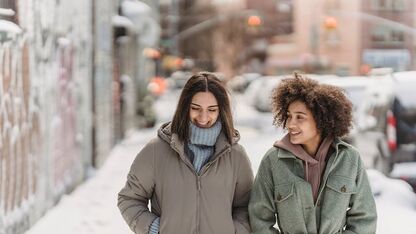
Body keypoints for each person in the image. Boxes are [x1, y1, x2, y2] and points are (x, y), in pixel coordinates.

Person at [118, 72, 253, 234]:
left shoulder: (236, 156)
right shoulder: (156, 151)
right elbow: (130, 198)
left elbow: (246, 206)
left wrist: (235, 230)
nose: (203, 117)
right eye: (196, 108)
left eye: (212, 110)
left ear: (221, 111)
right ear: (184, 107)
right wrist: (155, 229)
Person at [249, 74, 377, 234]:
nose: (290, 124)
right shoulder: (273, 161)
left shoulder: (349, 159)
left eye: (300, 118)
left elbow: (364, 218)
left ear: (321, 120)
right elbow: (259, 219)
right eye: (288, 116)